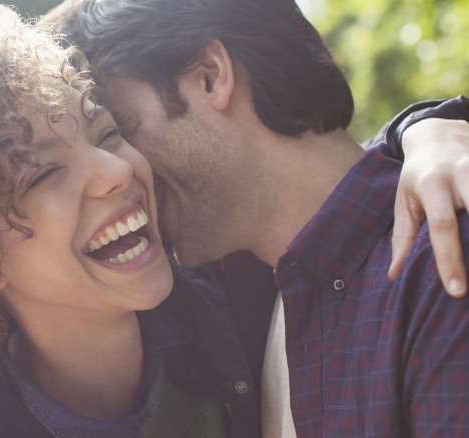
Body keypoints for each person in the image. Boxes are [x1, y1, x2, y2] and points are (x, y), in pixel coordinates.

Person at [0, 3, 468, 438]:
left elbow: (334, 190)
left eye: (112, 131)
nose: (117, 169)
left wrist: (433, 127)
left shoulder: (239, 289)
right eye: (43, 174)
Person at [45, 0, 469, 436]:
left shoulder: (442, 259)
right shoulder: (235, 300)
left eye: (118, 130)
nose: (122, 171)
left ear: (211, 76)